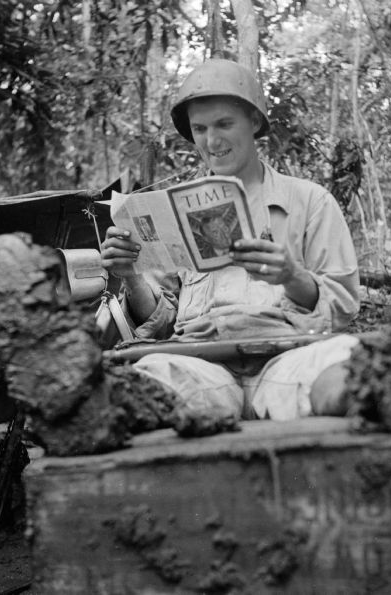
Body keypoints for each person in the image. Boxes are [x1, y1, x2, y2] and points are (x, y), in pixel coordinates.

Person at [100, 59, 361, 421]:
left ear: (254, 121)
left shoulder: (309, 202)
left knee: (344, 364)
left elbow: (343, 307)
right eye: (200, 128)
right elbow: (161, 323)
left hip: (286, 356)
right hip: (201, 364)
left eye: (224, 123)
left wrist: (292, 276)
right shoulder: (172, 211)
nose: (212, 140)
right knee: (152, 380)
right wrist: (130, 274)